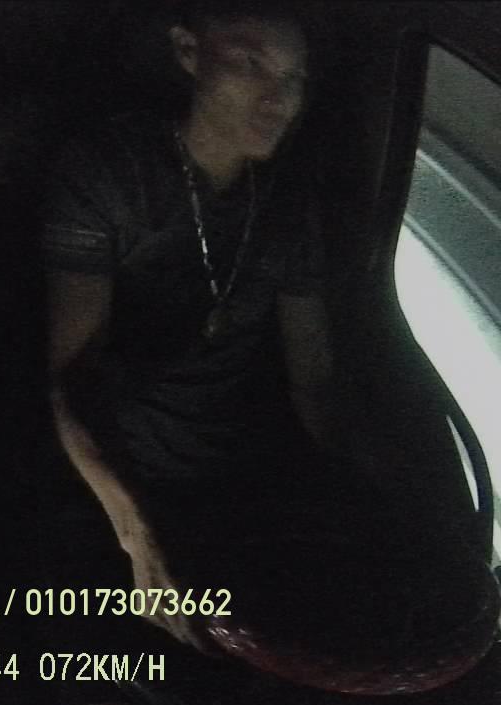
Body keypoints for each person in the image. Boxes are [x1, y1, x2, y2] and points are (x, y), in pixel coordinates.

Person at [42, 0, 356, 654]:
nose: (279, 100)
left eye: (295, 79)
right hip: (107, 472)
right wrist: (136, 534)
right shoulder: (112, 173)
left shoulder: (288, 201)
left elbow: (315, 377)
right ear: (189, 53)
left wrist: (353, 487)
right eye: (251, 65)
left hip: (231, 477)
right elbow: (73, 375)